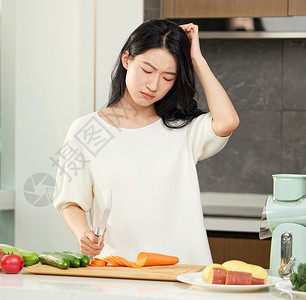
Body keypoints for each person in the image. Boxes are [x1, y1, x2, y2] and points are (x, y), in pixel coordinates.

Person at [53, 19, 239, 265]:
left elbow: (227, 121)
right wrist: (82, 233)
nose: (153, 85)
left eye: (168, 77)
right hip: (118, 272)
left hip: (182, 273)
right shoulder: (87, 130)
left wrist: (196, 59)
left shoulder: (182, 129)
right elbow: (71, 200)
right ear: (127, 59)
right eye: (147, 70)